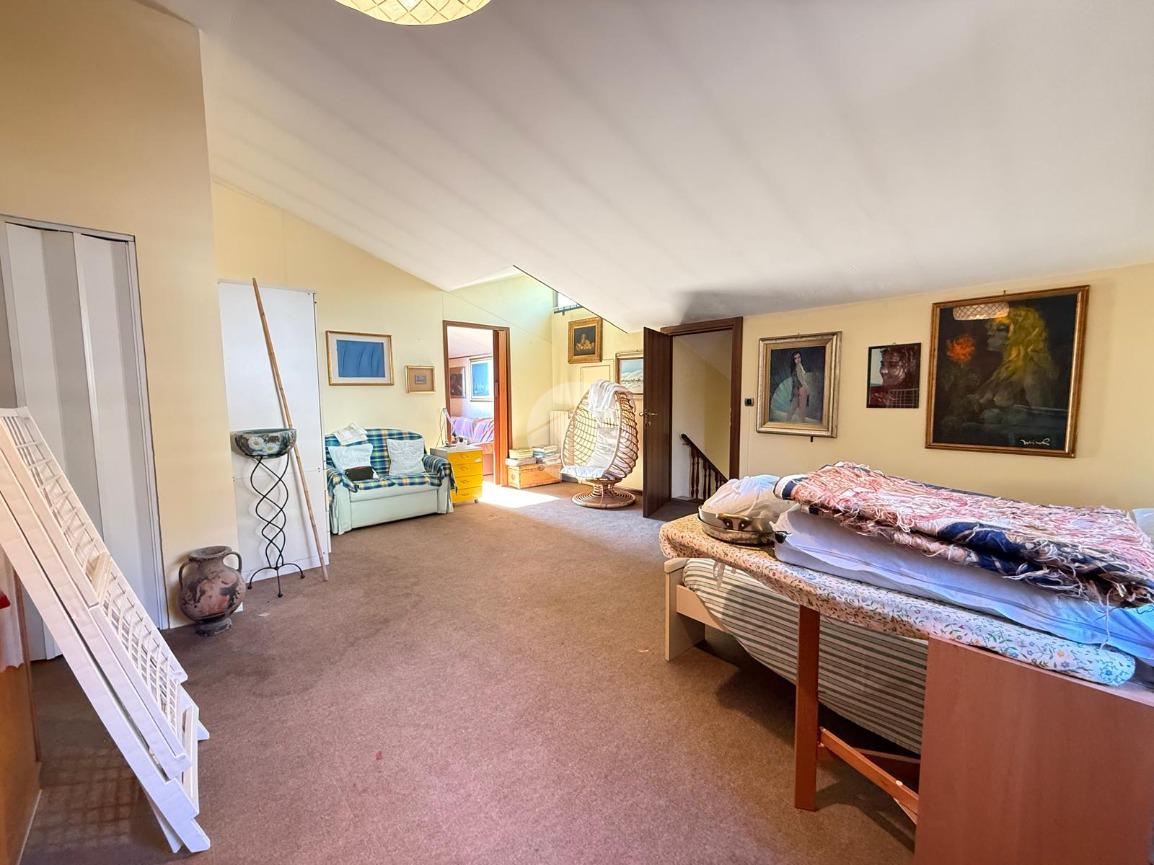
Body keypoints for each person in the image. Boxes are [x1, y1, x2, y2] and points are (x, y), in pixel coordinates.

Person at [788, 351, 811, 422]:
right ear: (793, 360)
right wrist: (806, 388)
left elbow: (799, 379)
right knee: (801, 409)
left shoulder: (798, 366)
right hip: (801, 389)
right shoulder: (798, 367)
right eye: (795, 358)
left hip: (798, 389)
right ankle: (801, 423)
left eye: (799, 357)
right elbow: (801, 379)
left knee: (795, 407)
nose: (798, 359)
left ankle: (789, 422)